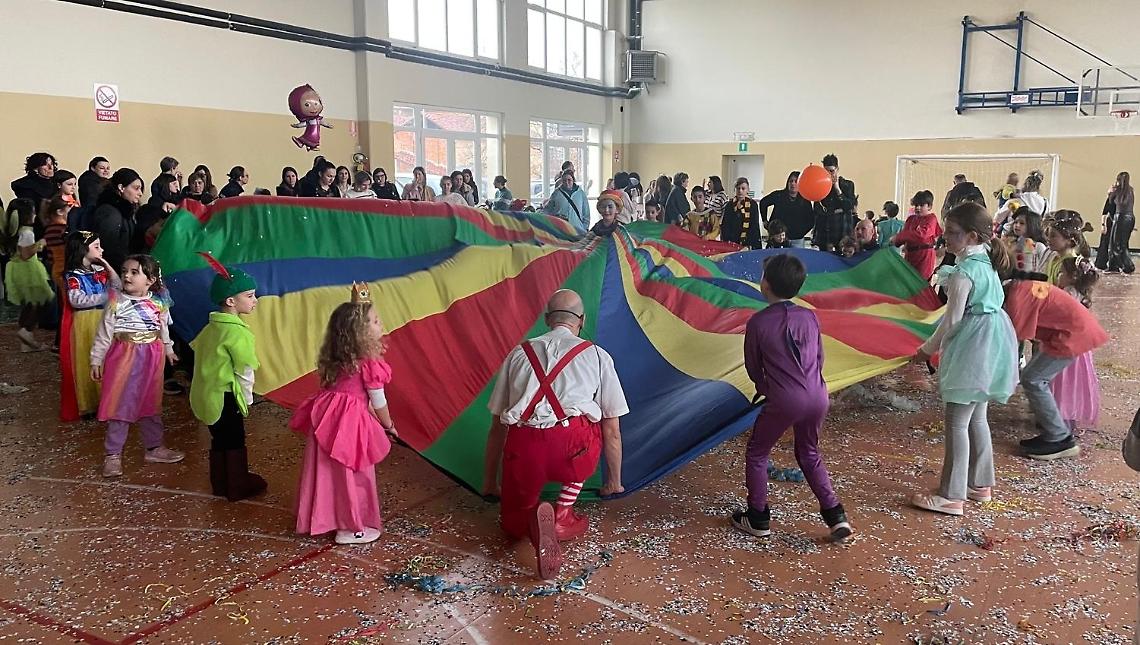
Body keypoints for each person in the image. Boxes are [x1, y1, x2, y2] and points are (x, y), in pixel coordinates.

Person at [482, 289, 627, 579]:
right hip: (572, 451)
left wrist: (490, 483)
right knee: (591, 433)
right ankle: (562, 512)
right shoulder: (597, 356)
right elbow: (611, 429)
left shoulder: (518, 353)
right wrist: (614, 482)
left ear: (547, 319)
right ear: (581, 320)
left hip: (525, 449)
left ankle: (527, 520)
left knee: (513, 526)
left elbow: (498, 425)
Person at [733, 254, 852, 541]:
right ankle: (836, 516)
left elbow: (753, 366)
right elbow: (819, 357)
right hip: (818, 395)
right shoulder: (809, 316)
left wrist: (766, 388)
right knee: (809, 453)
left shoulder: (759, 322)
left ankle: (758, 516)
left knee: (758, 452)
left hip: (785, 399)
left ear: (765, 285)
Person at [911, 202, 1018, 516]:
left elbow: (951, 322)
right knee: (977, 417)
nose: (947, 239)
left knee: (957, 422)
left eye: (954, 234)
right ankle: (979, 484)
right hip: (992, 342)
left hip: (973, 345)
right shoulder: (985, 262)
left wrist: (926, 350)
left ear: (972, 236)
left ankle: (952, 494)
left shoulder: (963, 274)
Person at [291, 284, 398, 545]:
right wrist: (389, 424)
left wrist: (377, 420)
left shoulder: (340, 357)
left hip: (328, 417)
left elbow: (358, 397)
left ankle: (330, 519)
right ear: (359, 332)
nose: (380, 323)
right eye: (373, 321)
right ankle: (353, 528)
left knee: (330, 471)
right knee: (355, 472)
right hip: (349, 424)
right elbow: (377, 400)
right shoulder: (370, 362)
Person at [90, 254, 184, 478]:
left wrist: (169, 349)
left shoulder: (160, 302)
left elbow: (163, 329)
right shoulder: (116, 301)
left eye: (134, 272)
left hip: (152, 356)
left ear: (150, 280)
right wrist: (96, 359)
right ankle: (113, 455)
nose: (126, 275)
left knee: (151, 402)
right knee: (120, 403)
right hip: (123, 357)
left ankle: (154, 448)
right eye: (124, 271)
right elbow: (104, 333)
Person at [1004, 277, 1108, 461]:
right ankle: (1056, 433)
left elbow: (1010, 338)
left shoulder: (1015, 299)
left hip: (1073, 334)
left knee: (1033, 380)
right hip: (1073, 329)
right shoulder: (1020, 288)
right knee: (1032, 377)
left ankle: (1059, 437)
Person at [190, 258, 265, 501]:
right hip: (226, 396)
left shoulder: (211, 328)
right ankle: (237, 484)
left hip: (206, 394)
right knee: (234, 438)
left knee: (219, 438)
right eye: (250, 296)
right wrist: (247, 399)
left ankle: (221, 482)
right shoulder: (237, 332)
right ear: (232, 301)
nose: (255, 300)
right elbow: (244, 369)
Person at [59, 231, 119, 422]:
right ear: (84, 249)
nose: (101, 250)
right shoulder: (73, 275)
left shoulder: (99, 270)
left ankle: (108, 400)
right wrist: (105, 297)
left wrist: (107, 265)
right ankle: (91, 402)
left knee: (107, 358)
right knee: (88, 360)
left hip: (103, 318)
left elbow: (117, 285)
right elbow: (76, 300)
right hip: (85, 321)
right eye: (96, 246)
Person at [1048, 256, 1102, 435]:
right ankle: (1067, 419)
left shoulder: (1068, 294)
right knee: (1072, 385)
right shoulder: (1078, 293)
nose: (1059, 275)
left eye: (1062, 273)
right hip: (1079, 347)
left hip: (1067, 345)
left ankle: (1060, 424)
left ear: (1073, 277)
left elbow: (1059, 316)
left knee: (1063, 382)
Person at [4, 199, 53, 352]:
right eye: (33, 212)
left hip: (16, 268)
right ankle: (26, 331)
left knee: (29, 302)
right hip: (28, 269)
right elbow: (26, 254)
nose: (35, 215)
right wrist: (41, 243)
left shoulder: (13, 230)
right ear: (27, 215)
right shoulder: (26, 232)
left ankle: (26, 341)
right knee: (39, 301)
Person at [759, 171, 819, 248]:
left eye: (796, 181)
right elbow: (763, 203)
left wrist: (801, 232)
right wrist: (765, 221)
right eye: (791, 181)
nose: (793, 183)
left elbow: (811, 220)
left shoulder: (805, 200)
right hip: (778, 239)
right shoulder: (779, 195)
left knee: (795, 259)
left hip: (797, 239)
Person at [893, 190, 942, 280]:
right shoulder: (911, 219)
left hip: (924, 255)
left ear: (929, 206)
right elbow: (904, 236)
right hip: (910, 255)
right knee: (908, 281)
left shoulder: (931, 219)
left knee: (921, 284)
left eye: (921, 205)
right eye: (916, 205)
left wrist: (899, 237)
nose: (918, 208)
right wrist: (896, 240)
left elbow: (922, 235)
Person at [816, 154, 857, 252]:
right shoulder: (819, 186)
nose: (829, 174)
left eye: (831, 171)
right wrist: (837, 210)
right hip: (825, 232)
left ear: (837, 169)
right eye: (825, 171)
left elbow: (849, 206)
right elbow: (817, 209)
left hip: (843, 231)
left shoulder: (847, 185)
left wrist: (837, 189)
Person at [1097, 171, 1135, 273]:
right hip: (1130, 217)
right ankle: (1117, 266)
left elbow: (1110, 203)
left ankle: (1126, 266)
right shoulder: (1130, 190)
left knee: (1114, 245)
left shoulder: (1117, 190)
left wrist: (1109, 193)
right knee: (1122, 244)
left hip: (1120, 218)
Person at [1043, 209, 1091, 285]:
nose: (1048, 239)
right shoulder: (1054, 257)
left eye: (1053, 236)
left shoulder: (1070, 265)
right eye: (1048, 235)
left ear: (1069, 240)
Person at [1006, 207, 1054, 276]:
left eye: (1022, 223)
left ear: (1032, 225)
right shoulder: (1011, 244)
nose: (1017, 225)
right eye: (1015, 222)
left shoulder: (1038, 246)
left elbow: (1044, 267)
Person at [544, 171, 590, 235]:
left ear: (573, 180)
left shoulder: (581, 193)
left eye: (569, 180)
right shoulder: (556, 193)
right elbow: (548, 210)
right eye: (564, 180)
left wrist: (584, 228)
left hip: (578, 231)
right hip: (560, 230)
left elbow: (586, 213)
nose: (567, 183)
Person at [721, 177, 761, 249]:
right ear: (735, 190)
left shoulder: (753, 205)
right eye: (738, 188)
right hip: (732, 240)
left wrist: (755, 244)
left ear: (748, 190)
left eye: (743, 188)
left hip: (748, 241)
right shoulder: (729, 205)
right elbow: (725, 224)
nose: (740, 191)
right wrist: (726, 240)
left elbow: (755, 225)